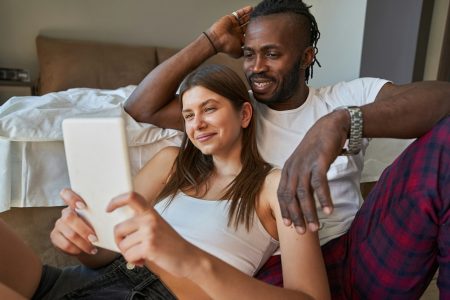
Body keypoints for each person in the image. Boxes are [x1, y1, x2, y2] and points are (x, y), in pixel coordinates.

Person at [123, 0, 450, 298]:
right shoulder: (235, 115)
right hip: (275, 269)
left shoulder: (344, 98)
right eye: (249, 54)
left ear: (306, 57)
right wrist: (211, 40)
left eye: (272, 54)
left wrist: (339, 123)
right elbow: (141, 107)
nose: (256, 67)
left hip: (355, 251)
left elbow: (442, 99)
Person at [0, 65, 330, 299]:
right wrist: (82, 239)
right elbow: (102, 253)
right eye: (188, 115)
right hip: (87, 279)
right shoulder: (171, 162)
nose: (197, 123)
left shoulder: (276, 187)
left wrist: (185, 256)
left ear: (244, 115)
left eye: (209, 109)